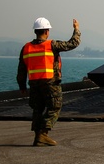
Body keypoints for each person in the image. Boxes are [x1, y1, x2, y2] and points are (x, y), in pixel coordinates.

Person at [17, 17, 81, 146]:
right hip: (50, 83)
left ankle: (37, 137)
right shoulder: (51, 45)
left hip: (34, 84)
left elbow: (21, 70)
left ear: (35, 31)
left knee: (37, 109)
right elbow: (72, 44)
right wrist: (76, 29)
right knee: (55, 106)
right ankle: (43, 134)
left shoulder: (26, 48)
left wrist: (22, 85)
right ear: (46, 31)